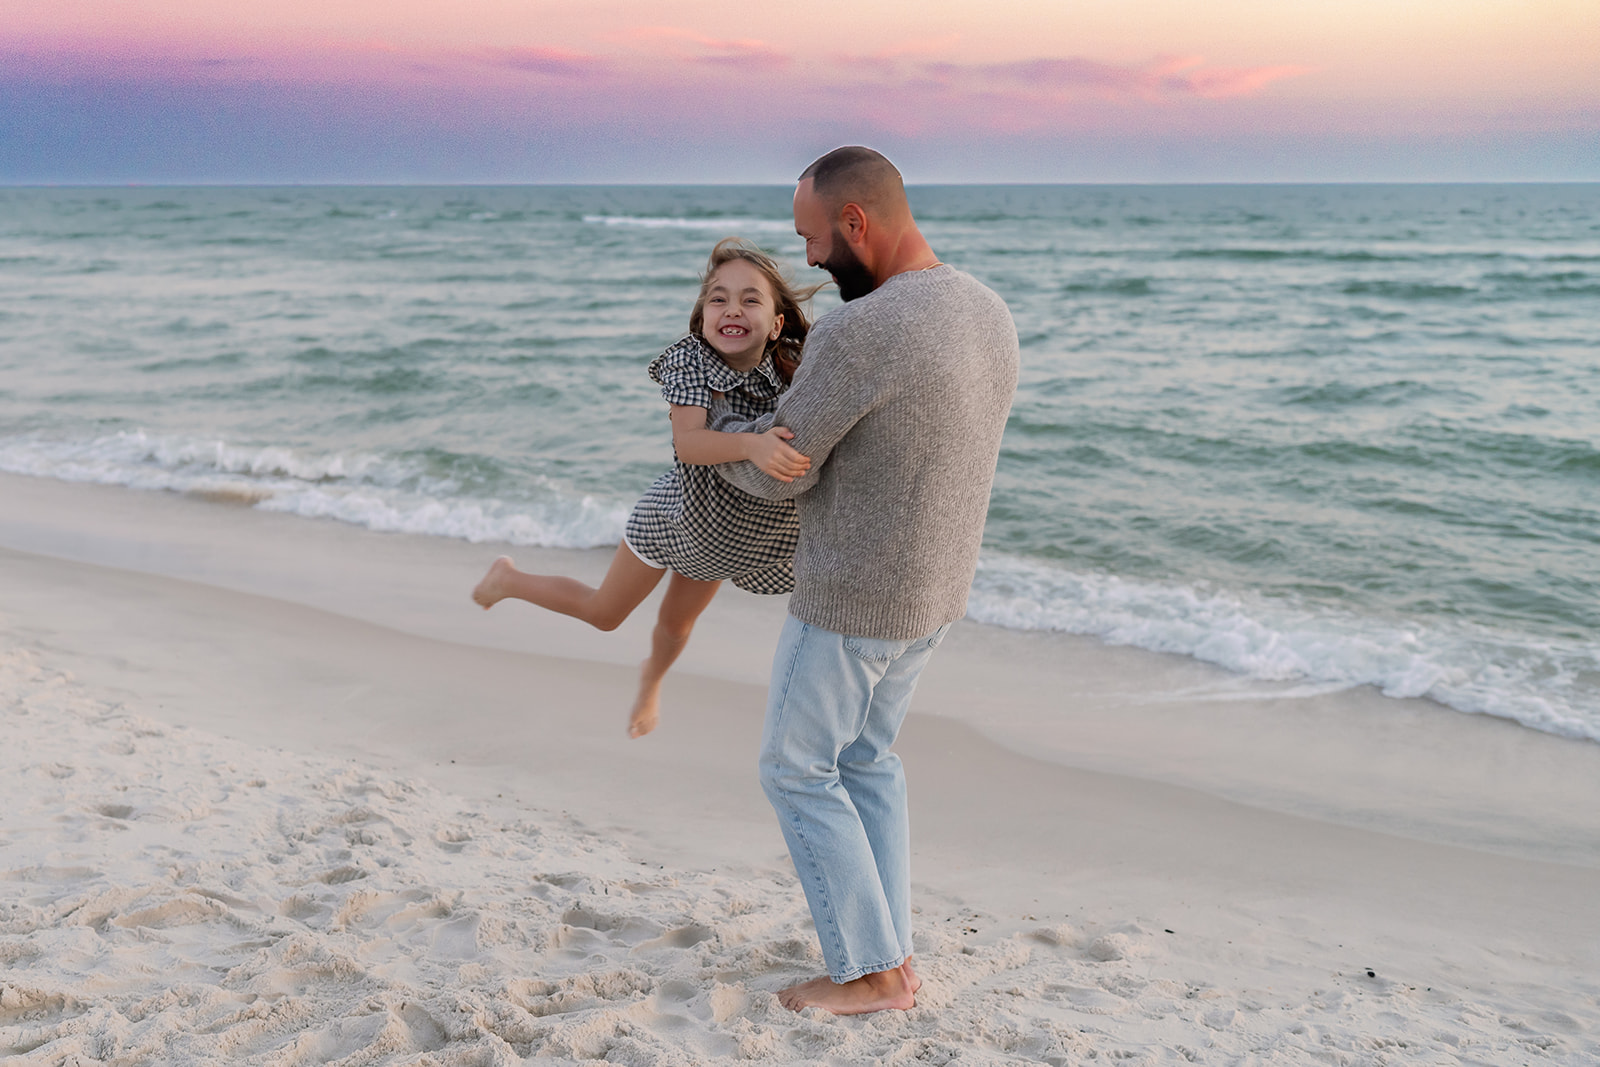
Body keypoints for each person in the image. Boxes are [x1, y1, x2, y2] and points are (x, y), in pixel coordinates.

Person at [711, 147, 1020, 1014]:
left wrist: (721, 440)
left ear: (856, 223)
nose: (807, 257)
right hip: (932, 592)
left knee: (795, 768)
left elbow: (785, 468)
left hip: (853, 596)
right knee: (866, 760)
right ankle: (893, 956)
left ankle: (874, 974)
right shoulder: (987, 309)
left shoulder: (861, 328)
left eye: (813, 238)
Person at [471, 238, 816, 739]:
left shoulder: (793, 367)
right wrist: (753, 446)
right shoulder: (690, 363)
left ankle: (651, 681)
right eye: (717, 299)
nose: (732, 310)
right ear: (701, 318)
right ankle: (507, 579)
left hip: (727, 536)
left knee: (677, 627)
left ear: (777, 323)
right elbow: (690, 443)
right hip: (675, 518)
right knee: (604, 614)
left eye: (750, 299)